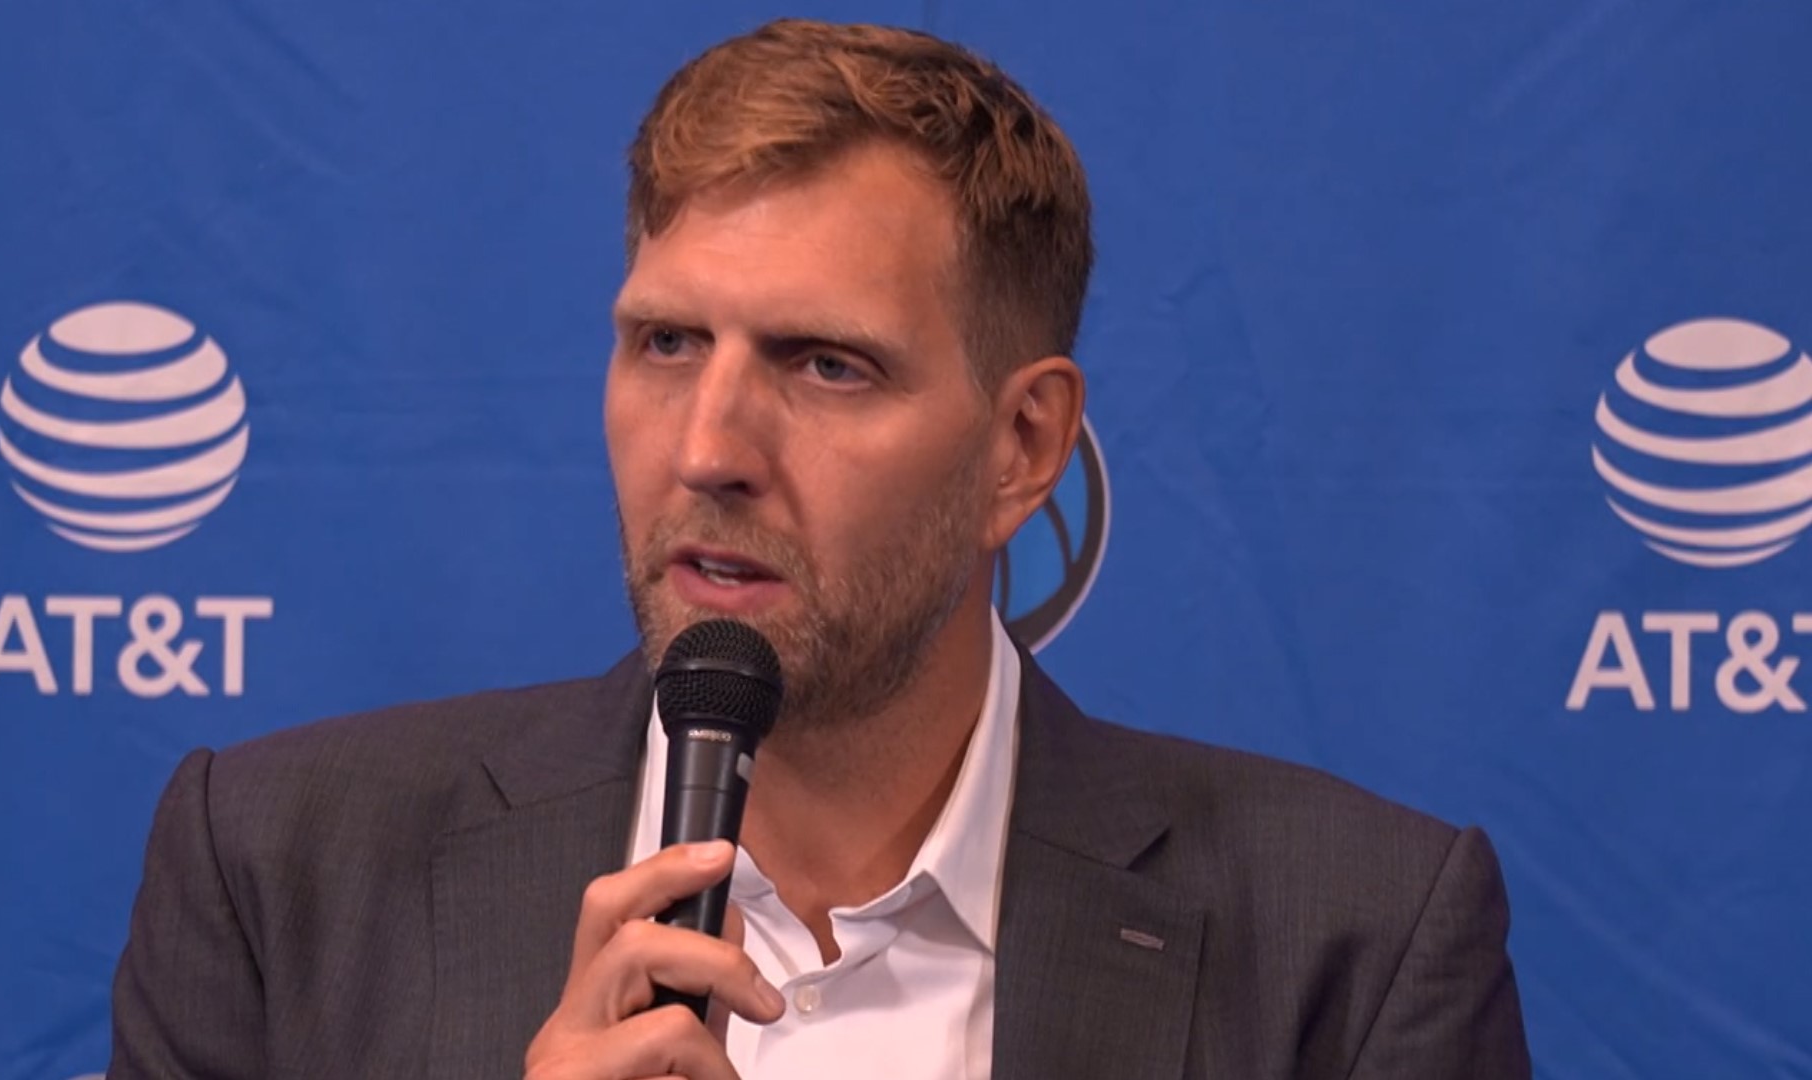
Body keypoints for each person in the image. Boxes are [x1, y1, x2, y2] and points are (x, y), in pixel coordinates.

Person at [106, 18, 1529, 1080]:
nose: (709, 446)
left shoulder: (1355, 950)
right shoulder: (279, 871)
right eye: (666, 343)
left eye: (826, 366)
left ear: (1024, 447)